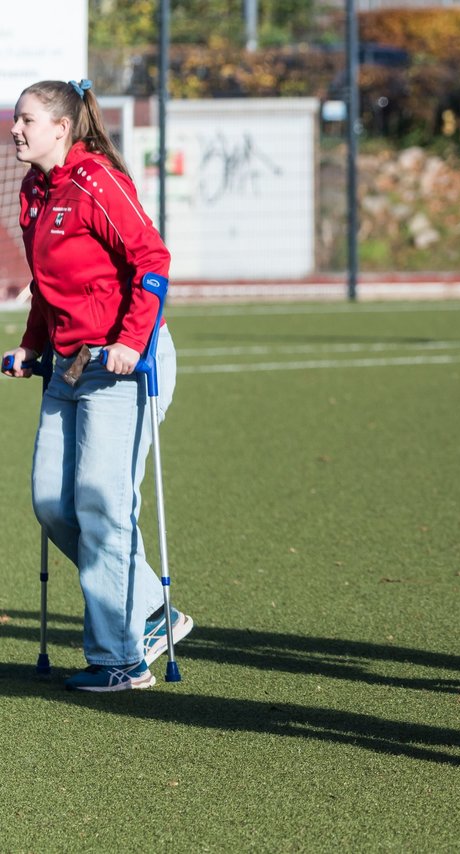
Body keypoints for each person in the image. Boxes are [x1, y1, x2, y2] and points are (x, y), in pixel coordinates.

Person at [3, 79, 191, 691]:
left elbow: (153, 261)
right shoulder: (34, 191)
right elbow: (47, 285)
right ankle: (151, 613)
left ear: (62, 127)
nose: (17, 129)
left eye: (28, 120)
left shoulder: (97, 182)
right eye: (15, 120)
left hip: (122, 364)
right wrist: (32, 347)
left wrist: (133, 342)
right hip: (67, 367)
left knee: (102, 505)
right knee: (53, 506)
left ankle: (120, 659)